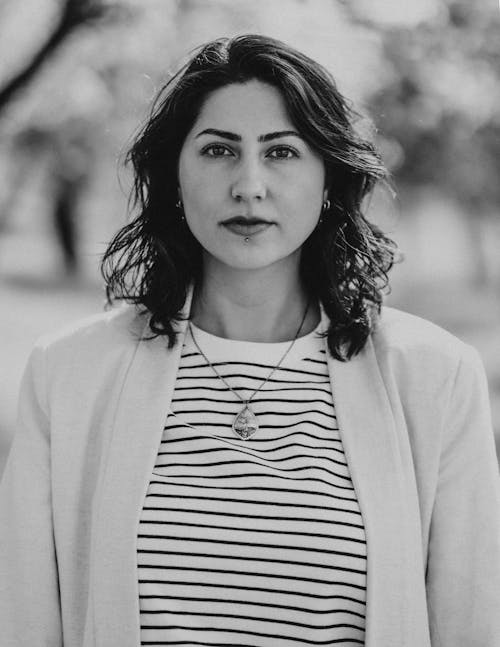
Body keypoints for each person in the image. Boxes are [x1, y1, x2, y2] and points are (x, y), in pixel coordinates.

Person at [1, 34, 499, 647]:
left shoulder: (436, 376)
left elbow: (470, 626)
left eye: (283, 152)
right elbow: (24, 624)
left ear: (328, 177)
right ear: (174, 174)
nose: (249, 184)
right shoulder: (68, 372)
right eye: (218, 150)